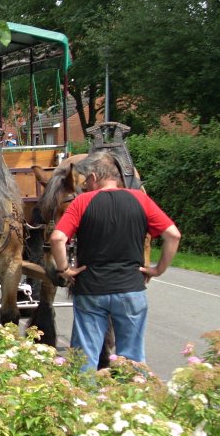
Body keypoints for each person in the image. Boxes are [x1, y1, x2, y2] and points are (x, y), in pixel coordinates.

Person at [50, 152, 181, 370]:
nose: (84, 186)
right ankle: (130, 400)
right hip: (130, 288)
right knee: (132, 358)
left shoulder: (82, 202)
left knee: (84, 358)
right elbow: (173, 235)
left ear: (93, 177)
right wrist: (157, 269)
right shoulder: (140, 199)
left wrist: (65, 269)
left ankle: (85, 401)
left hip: (91, 290)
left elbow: (57, 238)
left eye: (85, 181)